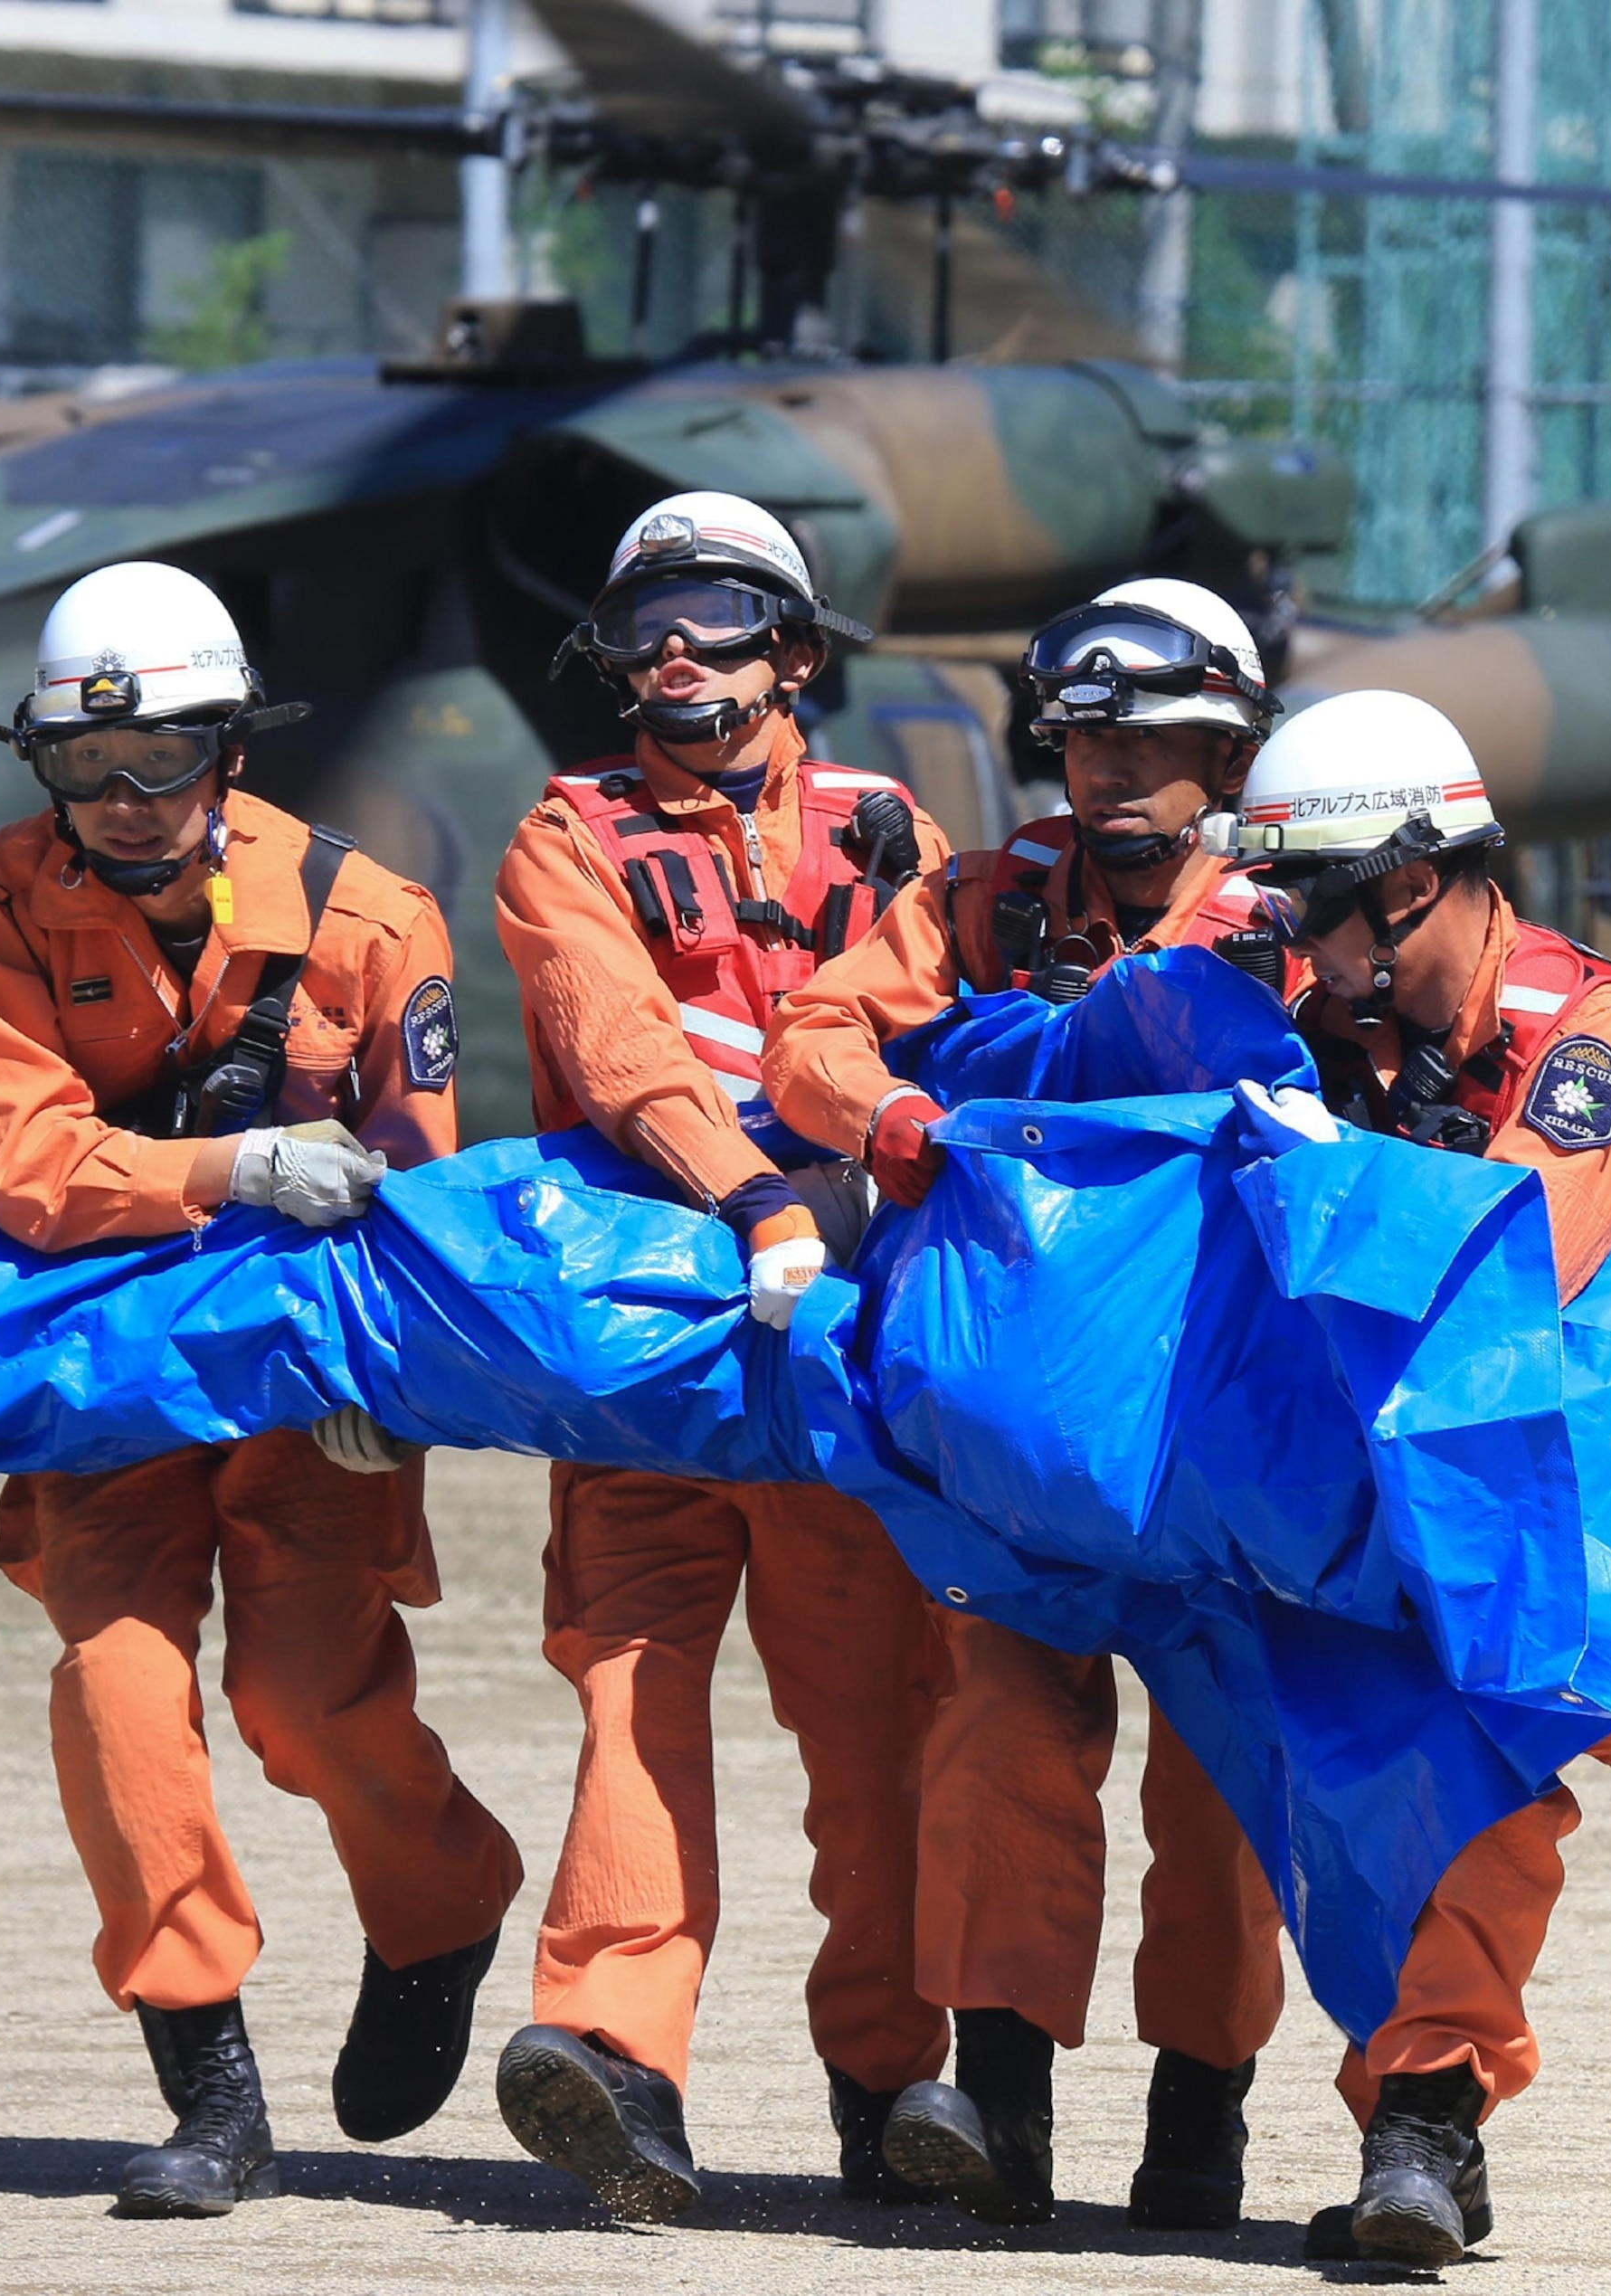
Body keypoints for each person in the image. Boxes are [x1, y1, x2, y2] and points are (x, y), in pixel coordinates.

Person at [0, 560, 523, 2219]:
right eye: (84, 764)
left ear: (232, 751)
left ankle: (445, 1904)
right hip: (108, 1377)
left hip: (306, 1380)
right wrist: (238, 1165)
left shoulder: (371, 916)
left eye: (163, 758)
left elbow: (415, 1178)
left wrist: (396, 1384)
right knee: (117, 1692)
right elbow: (27, 1165)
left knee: (305, 1697)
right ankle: (210, 2085)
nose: (124, 799)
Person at [759, 577, 1294, 2229]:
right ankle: (999, 2113)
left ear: (1233, 752)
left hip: (1211, 1430)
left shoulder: (1291, 907)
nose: (1111, 768)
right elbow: (811, 1037)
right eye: (1084, 738)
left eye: (1153, 738)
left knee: (1218, 1789)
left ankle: (1199, 2116)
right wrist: (896, 1120)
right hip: (1014, 1426)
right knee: (994, 1733)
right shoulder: (987, 901)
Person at [488, 491, 952, 2220]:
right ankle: (617, 2059)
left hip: (840, 1342)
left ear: (797, 651)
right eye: (643, 620)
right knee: (630, 1683)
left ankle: (891, 2082)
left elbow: (929, 1028)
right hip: (650, 1339)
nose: (676, 646)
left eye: (717, 613)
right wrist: (756, 1193)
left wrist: (837, 1194)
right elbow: (617, 1047)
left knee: (876, 1722)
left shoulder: (894, 830)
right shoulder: (566, 835)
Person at [1227, 686, 1611, 2267]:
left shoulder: (1599, 1038)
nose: (1292, 933)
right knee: (1352, 1794)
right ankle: (1418, 2124)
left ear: (1413, 884)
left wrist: (1337, 1172)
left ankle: (1425, 2116)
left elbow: (1514, 1262)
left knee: (1483, 1785)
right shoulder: (1324, 1034)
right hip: (1380, 1479)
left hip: (1565, 1492)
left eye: (1312, 902)